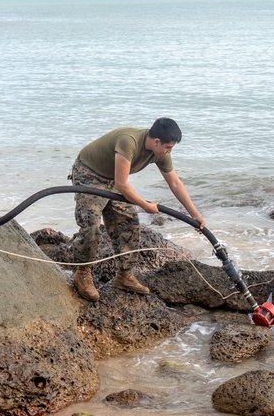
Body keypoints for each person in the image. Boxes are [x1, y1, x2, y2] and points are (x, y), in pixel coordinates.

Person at [70, 118, 205, 301]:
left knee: (129, 223)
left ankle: (124, 276)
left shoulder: (160, 153)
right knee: (91, 225)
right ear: (157, 141)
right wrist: (145, 205)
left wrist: (195, 215)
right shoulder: (129, 141)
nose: (169, 151)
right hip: (89, 174)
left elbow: (174, 183)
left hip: (113, 178)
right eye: (168, 147)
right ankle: (83, 274)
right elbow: (122, 184)